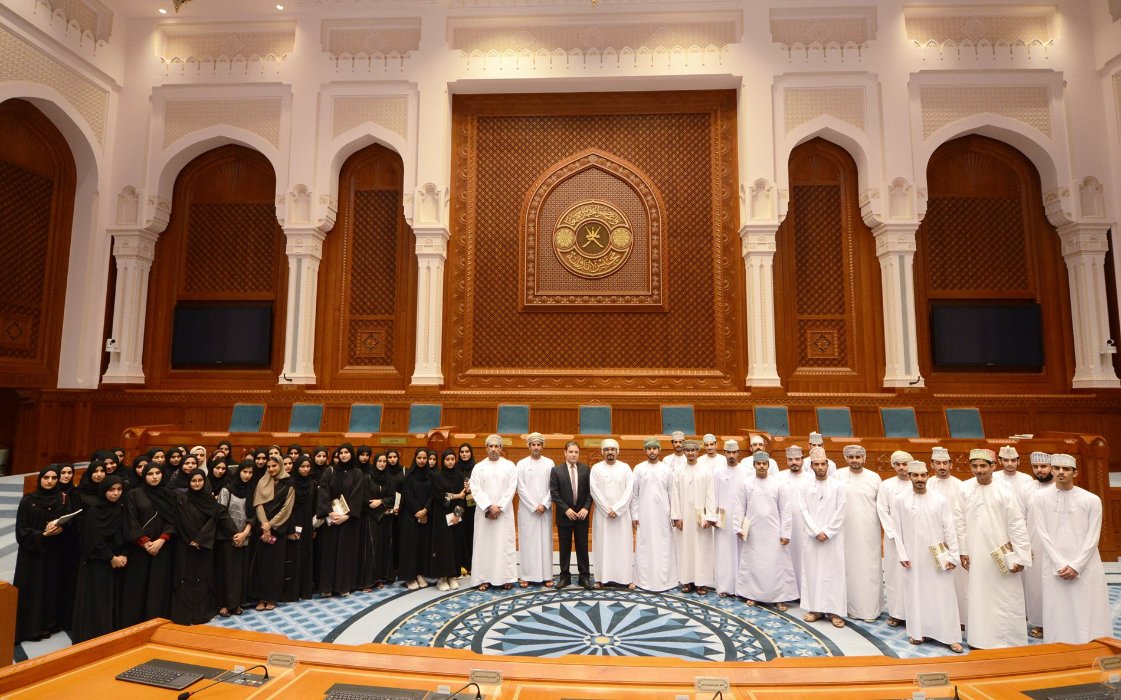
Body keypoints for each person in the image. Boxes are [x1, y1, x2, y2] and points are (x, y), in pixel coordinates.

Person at [1029, 453, 1111, 644]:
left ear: (1075, 472)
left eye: (1066, 469)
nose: (1060, 472)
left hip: (1086, 565)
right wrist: (1059, 563)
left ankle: (1090, 646)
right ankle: (1059, 648)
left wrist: (1077, 566)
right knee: (1058, 609)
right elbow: (1042, 533)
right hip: (1054, 565)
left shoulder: (1091, 499)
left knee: (1087, 607)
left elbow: (1093, 537)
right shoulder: (1040, 498)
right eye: (1056, 468)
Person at [955, 448, 1030, 649]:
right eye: (974, 466)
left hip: (1002, 554)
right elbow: (959, 522)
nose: (978, 470)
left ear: (993, 467)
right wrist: (962, 550)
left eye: (983, 466)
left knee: (1005, 595)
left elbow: (1017, 525)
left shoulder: (1005, 490)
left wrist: (1021, 557)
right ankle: (979, 639)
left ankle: (1007, 640)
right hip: (975, 553)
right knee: (978, 595)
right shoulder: (964, 489)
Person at [891, 461, 964, 653]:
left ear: (927, 475)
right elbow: (896, 530)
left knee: (943, 595)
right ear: (909, 477)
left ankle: (950, 637)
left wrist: (953, 556)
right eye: (916, 476)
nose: (920, 479)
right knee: (916, 594)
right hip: (913, 558)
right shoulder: (900, 500)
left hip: (938, 557)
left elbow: (950, 528)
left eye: (923, 475)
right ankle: (918, 632)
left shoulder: (939, 499)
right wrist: (902, 553)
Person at [732, 451, 797, 610]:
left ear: (768, 465)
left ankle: (780, 598)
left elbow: (785, 510)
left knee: (776, 565)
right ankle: (752, 595)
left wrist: (785, 533)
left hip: (774, 533)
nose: (761, 466)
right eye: (758, 463)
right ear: (754, 465)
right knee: (753, 564)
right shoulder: (746, 483)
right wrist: (738, 527)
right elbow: (739, 506)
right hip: (753, 532)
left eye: (764, 463)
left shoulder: (777, 484)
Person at [14, 465, 71, 642]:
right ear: (40, 479)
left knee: (49, 587)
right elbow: (21, 531)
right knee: (33, 588)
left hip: (53, 553)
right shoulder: (27, 500)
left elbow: (70, 524)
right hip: (31, 555)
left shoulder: (62, 499)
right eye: (46, 478)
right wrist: (42, 535)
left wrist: (60, 529)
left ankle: (48, 624)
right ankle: (30, 628)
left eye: (54, 478)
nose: (50, 481)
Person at [71, 475, 128, 643]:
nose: (115, 493)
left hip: (118, 561)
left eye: (119, 490)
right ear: (104, 491)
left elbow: (126, 533)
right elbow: (92, 538)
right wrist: (110, 557)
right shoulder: (95, 511)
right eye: (111, 490)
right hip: (98, 562)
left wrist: (123, 554)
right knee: (96, 599)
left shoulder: (122, 508)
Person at [171, 468, 232, 625]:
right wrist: (191, 540)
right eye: (193, 481)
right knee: (185, 579)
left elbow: (214, 521)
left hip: (204, 547)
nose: (197, 483)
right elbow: (180, 521)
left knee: (204, 579)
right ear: (188, 482)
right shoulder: (181, 498)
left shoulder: (210, 501)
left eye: (200, 480)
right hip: (185, 545)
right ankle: (185, 615)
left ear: (205, 482)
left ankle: (201, 614)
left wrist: (200, 540)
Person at [120, 463, 177, 627]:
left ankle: (156, 620)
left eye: (157, 473)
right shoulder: (133, 494)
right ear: (143, 476)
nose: (154, 476)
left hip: (162, 548)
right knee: (138, 586)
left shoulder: (168, 494)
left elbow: (173, 519)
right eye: (150, 473)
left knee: (158, 585)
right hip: (140, 550)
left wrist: (161, 540)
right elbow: (131, 520)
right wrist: (144, 542)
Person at [798, 447, 847, 628]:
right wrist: (815, 531)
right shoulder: (804, 486)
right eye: (816, 464)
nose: (820, 467)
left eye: (823, 464)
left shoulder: (838, 486)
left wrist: (827, 532)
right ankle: (815, 609)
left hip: (833, 538)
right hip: (812, 538)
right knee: (813, 571)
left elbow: (841, 510)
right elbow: (803, 509)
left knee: (833, 573)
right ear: (811, 466)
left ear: (828, 465)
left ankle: (834, 611)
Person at [833, 444, 882, 622]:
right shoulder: (837, 476)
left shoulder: (874, 477)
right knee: (848, 567)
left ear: (864, 458)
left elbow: (882, 506)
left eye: (858, 457)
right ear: (846, 458)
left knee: (869, 568)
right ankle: (847, 607)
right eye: (851, 457)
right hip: (845, 530)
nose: (855, 460)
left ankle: (869, 610)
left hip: (869, 531)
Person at [316, 443, 366, 597]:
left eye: (346, 452)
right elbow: (323, 493)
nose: (344, 455)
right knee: (329, 553)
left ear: (351, 454)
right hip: (331, 521)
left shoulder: (357, 473)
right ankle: (327, 587)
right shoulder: (329, 472)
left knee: (346, 553)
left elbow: (357, 496)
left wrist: (346, 516)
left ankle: (343, 586)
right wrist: (330, 513)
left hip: (348, 522)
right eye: (341, 452)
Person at [471, 434, 519, 590]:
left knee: (504, 544)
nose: (493, 449)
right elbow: (476, 489)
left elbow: (512, 488)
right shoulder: (479, 467)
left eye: (496, 446)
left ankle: (506, 578)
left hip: (503, 513)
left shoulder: (510, 466)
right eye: (490, 446)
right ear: (486, 448)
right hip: (485, 514)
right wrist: (489, 506)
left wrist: (499, 507)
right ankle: (483, 578)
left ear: (501, 448)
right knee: (484, 546)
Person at [630, 438, 677, 592]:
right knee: (645, 546)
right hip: (644, 516)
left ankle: (665, 581)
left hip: (663, 516)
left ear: (659, 450)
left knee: (664, 546)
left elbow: (672, 494)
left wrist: (674, 515)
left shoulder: (667, 469)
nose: (652, 451)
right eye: (649, 448)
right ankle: (643, 580)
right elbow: (634, 495)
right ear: (645, 450)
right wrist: (635, 515)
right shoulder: (638, 469)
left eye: (654, 448)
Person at [671, 439, 715, 595]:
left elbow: (711, 495)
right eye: (687, 450)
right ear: (684, 451)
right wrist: (676, 517)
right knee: (685, 549)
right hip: (684, 517)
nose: (690, 453)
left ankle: (701, 583)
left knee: (701, 549)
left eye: (693, 450)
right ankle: (687, 581)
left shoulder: (705, 471)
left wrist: (709, 517)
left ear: (698, 452)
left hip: (700, 519)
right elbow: (674, 495)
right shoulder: (678, 471)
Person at [590, 438, 635, 589]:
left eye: (613, 449)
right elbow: (594, 491)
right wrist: (606, 509)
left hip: (621, 516)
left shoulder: (625, 468)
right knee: (602, 545)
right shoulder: (596, 468)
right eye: (607, 449)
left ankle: (625, 578)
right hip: (603, 516)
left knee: (622, 546)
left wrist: (617, 509)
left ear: (617, 452)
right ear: (602, 452)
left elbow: (630, 491)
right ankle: (600, 578)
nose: (610, 452)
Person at [252, 455, 295, 610]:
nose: (271, 469)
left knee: (275, 566)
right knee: (261, 565)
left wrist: (271, 525)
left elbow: (287, 508)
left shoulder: (289, 482)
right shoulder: (262, 481)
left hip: (278, 530)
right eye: (268, 467)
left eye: (274, 466)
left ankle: (272, 598)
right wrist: (265, 526)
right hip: (262, 530)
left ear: (280, 466)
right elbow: (258, 504)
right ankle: (260, 598)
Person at [877, 450, 913, 627]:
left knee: (913, 575)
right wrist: (892, 533)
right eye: (898, 464)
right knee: (894, 575)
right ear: (893, 466)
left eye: (905, 464)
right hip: (893, 539)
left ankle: (914, 612)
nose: (901, 468)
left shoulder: (918, 483)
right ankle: (896, 613)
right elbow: (882, 509)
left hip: (914, 538)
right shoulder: (886, 485)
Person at [550, 440, 592, 589]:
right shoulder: (556, 471)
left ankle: (584, 577)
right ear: (565, 453)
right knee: (564, 547)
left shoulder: (586, 470)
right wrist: (566, 509)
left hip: (582, 516)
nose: (574, 454)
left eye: (576, 452)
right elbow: (554, 493)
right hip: (564, 516)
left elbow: (590, 492)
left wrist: (586, 508)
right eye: (571, 452)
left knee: (582, 547)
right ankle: (564, 577)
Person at [516, 433, 554, 588]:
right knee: (528, 542)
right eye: (533, 445)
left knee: (545, 542)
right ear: (529, 446)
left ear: (542, 446)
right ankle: (526, 575)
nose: (536, 447)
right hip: (527, 510)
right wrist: (533, 505)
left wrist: (544, 504)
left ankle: (547, 576)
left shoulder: (549, 463)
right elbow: (521, 488)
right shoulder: (521, 464)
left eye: (539, 444)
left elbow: (553, 487)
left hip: (545, 509)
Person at [216, 460, 254, 616]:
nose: (247, 475)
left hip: (245, 536)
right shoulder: (227, 490)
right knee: (226, 570)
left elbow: (253, 514)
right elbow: (221, 513)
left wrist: (244, 533)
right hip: (227, 537)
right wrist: (234, 534)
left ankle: (236, 604)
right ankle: (224, 604)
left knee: (240, 572)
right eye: (244, 472)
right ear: (238, 472)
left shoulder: (251, 490)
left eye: (250, 472)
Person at [1023, 451, 1054, 639]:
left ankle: (1058, 620)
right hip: (1033, 544)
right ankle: (1040, 624)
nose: (1040, 470)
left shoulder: (1059, 487)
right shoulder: (1027, 488)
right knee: (1035, 585)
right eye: (1036, 467)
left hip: (1057, 545)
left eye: (1043, 466)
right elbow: (1018, 517)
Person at [712, 439, 749, 596]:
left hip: (741, 517)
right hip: (723, 517)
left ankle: (742, 587)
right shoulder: (718, 472)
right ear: (724, 453)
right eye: (728, 452)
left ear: (739, 453)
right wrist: (714, 517)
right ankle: (725, 586)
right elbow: (713, 495)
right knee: (725, 551)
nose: (731, 456)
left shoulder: (747, 472)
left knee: (742, 552)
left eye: (734, 452)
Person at [776, 445, 811, 593]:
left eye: (797, 459)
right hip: (786, 526)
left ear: (802, 460)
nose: (794, 462)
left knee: (805, 557)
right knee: (786, 557)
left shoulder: (811, 478)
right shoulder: (779, 477)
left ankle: (805, 591)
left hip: (805, 525)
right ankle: (789, 591)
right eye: (790, 460)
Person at [398, 448, 436, 590]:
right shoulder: (409, 476)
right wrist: (418, 511)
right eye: (419, 458)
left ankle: (420, 574)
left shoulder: (432, 476)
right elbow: (407, 495)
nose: (422, 460)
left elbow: (433, 495)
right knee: (410, 547)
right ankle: (409, 577)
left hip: (426, 516)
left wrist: (425, 510)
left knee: (422, 546)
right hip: (410, 517)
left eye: (424, 458)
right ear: (415, 458)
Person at [431, 448, 467, 591]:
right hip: (441, 516)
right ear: (443, 461)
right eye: (447, 459)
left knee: (455, 546)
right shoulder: (437, 476)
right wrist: (457, 496)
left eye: (452, 459)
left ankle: (452, 576)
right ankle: (442, 578)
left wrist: (457, 515)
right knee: (443, 547)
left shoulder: (459, 476)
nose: (450, 462)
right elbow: (440, 496)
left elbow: (463, 499)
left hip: (455, 517)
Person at [361, 452, 396, 590]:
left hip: (386, 519)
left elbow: (392, 497)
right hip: (372, 518)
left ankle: (379, 578)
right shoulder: (367, 478)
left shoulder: (389, 478)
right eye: (379, 461)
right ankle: (368, 581)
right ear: (375, 462)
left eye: (384, 461)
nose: (382, 464)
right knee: (371, 549)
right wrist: (382, 508)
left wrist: (381, 502)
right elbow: (366, 500)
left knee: (383, 548)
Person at [284, 455, 316, 602]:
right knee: (293, 556)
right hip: (293, 523)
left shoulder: (312, 484)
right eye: (302, 466)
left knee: (306, 556)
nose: (305, 469)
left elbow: (315, 506)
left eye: (308, 466)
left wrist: (314, 527)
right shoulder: (291, 483)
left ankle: (305, 591)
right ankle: (292, 592)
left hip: (308, 524)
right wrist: (290, 529)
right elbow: (287, 509)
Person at [454, 443, 477, 576]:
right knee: (458, 532)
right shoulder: (455, 467)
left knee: (471, 533)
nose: (464, 454)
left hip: (472, 506)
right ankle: (460, 564)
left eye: (467, 451)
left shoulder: (476, 467)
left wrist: (471, 489)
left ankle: (471, 565)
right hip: (458, 506)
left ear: (470, 453)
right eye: (461, 451)